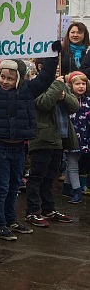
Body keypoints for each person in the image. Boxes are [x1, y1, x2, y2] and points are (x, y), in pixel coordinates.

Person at [0, 41, 60, 240]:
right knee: (2, 187)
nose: (5, 81)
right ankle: (0, 224)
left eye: (10, 78)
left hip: (19, 147)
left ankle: (12, 220)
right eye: (2, 77)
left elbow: (46, 77)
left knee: (15, 185)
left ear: (18, 78)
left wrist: (53, 55)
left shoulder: (27, 90)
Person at [24, 72, 76, 228]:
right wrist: (57, 86)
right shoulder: (37, 85)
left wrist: (64, 96)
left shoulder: (61, 86)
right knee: (36, 176)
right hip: (42, 138)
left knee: (50, 177)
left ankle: (48, 209)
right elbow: (43, 103)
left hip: (59, 138)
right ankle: (32, 211)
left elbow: (74, 106)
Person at [66, 72, 90, 203]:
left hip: (84, 138)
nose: (81, 86)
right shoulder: (66, 101)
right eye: (77, 84)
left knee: (73, 163)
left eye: (83, 83)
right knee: (72, 164)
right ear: (71, 85)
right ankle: (77, 190)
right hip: (70, 138)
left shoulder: (88, 102)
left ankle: (67, 186)